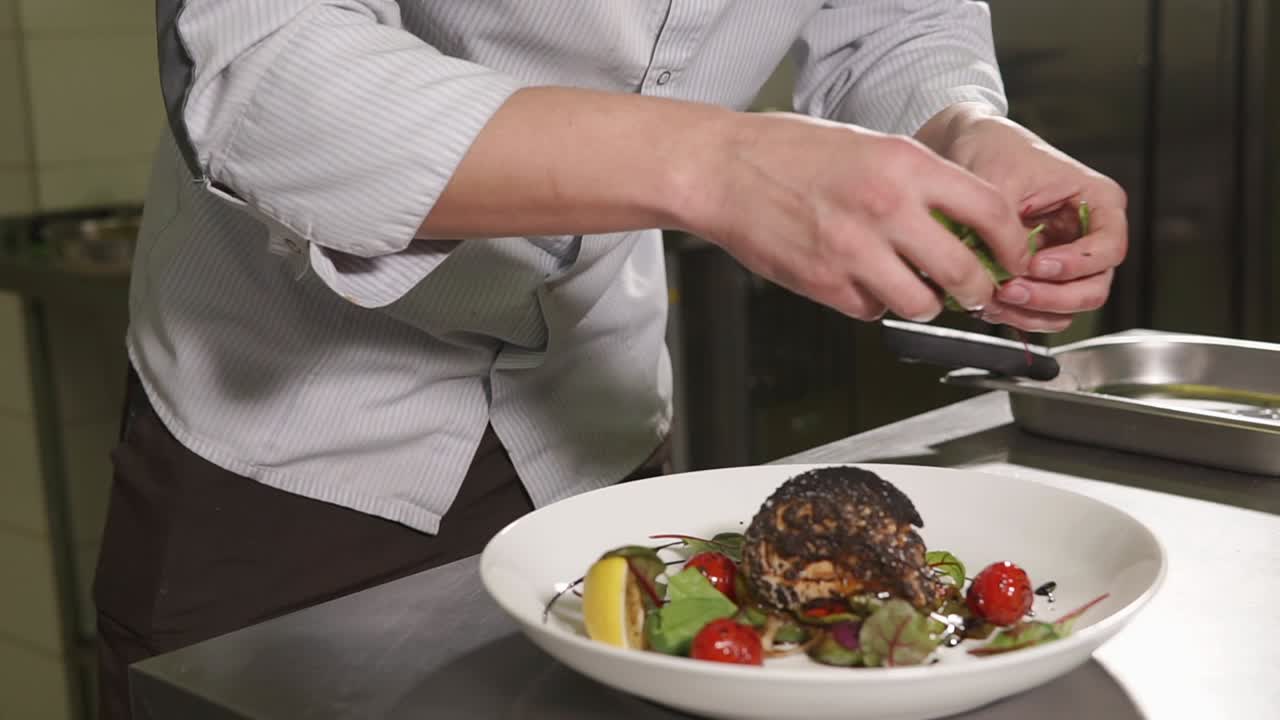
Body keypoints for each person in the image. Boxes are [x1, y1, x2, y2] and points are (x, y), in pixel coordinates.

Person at [95, 1, 1127, 718]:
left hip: (593, 428)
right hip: (289, 439)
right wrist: (716, 162)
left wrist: (956, 124)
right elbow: (260, 68)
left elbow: (897, 18)